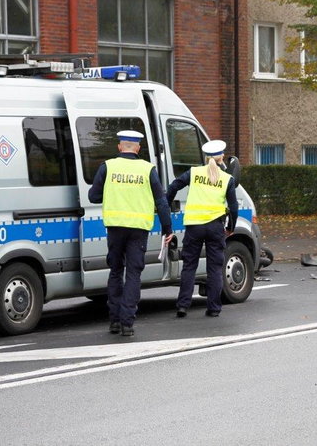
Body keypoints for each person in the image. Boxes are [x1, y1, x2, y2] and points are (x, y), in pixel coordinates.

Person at [88, 129, 173, 337]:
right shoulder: (147, 169)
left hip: (115, 228)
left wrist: (113, 193)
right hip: (138, 230)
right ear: (138, 148)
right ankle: (128, 324)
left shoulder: (107, 167)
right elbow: (161, 201)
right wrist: (167, 228)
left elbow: (93, 196)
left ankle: (114, 322)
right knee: (134, 274)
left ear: (119, 146)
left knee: (115, 271)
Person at [166, 140, 238, 318]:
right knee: (214, 268)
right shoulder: (227, 179)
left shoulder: (194, 172)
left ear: (206, 158)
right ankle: (213, 308)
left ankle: (183, 306)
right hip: (215, 227)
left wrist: (165, 205)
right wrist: (230, 227)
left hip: (194, 226)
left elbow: (174, 186)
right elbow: (234, 206)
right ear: (221, 157)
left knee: (189, 266)